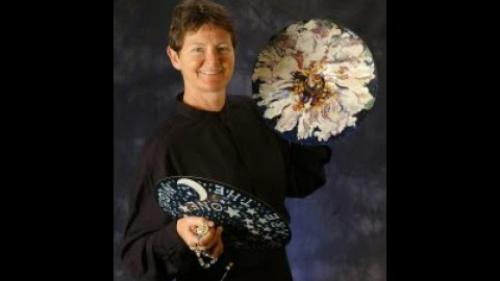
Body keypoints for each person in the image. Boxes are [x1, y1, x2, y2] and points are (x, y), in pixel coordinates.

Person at [120, 1, 331, 280]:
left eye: (222, 48)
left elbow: (300, 181)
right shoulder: (164, 148)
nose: (213, 60)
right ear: (174, 57)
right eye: (198, 49)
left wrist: (312, 123)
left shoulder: (259, 115)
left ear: (233, 51)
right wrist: (178, 235)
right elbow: (136, 259)